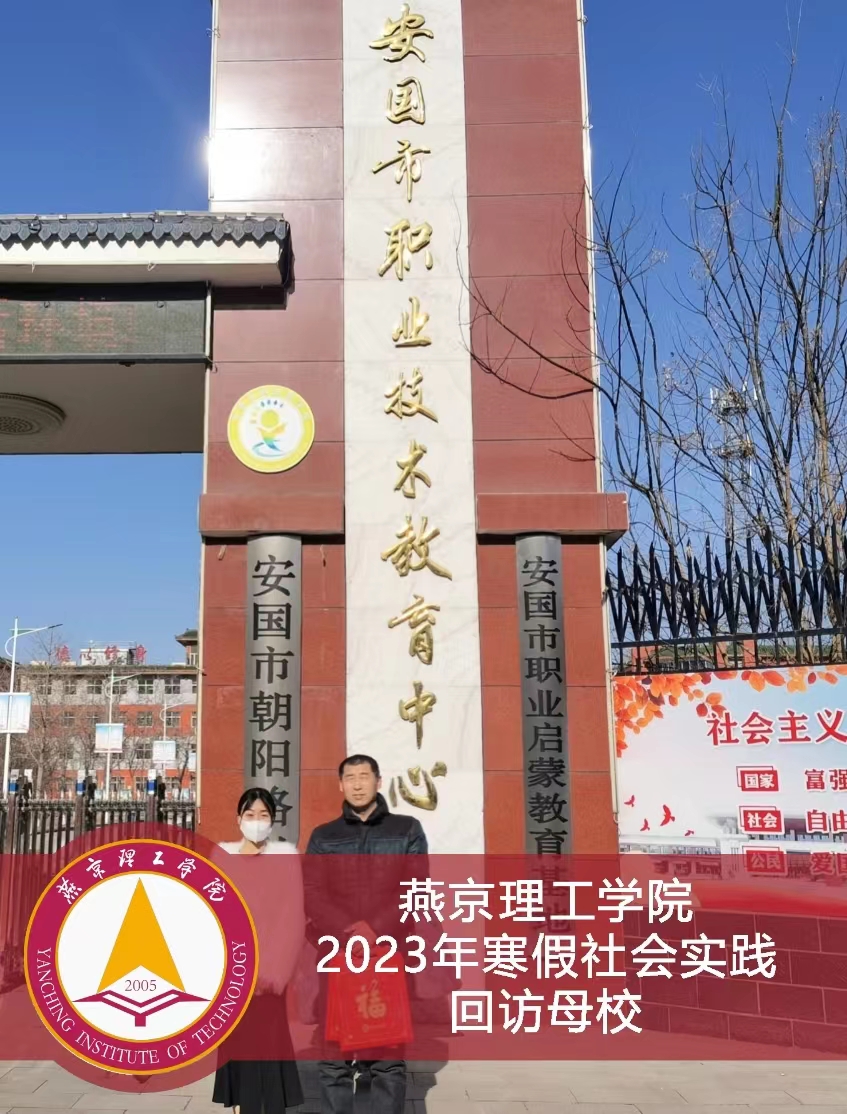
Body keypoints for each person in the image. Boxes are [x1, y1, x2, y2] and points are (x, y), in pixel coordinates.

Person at [305, 755, 427, 1114]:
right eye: (350, 777)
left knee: (387, 1056)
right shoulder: (324, 836)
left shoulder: (407, 829)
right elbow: (312, 891)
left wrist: (375, 929)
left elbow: (416, 886)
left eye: (364, 776)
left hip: (388, 954)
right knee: (334, 1055)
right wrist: (349, 932)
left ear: (378, 781)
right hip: (338, 954)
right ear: (340, 785)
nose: (357, 784)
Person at [213, 787, 304, 1114]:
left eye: (263, 815)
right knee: (238, 1046)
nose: (256, 821)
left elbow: (293, 917)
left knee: (267, 1044)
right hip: (233, 973)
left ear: (273, 820)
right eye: (250, 814)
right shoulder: (222, 859)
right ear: (238, 818)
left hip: (268, 976)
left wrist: (275, 972)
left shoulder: (285, 859)